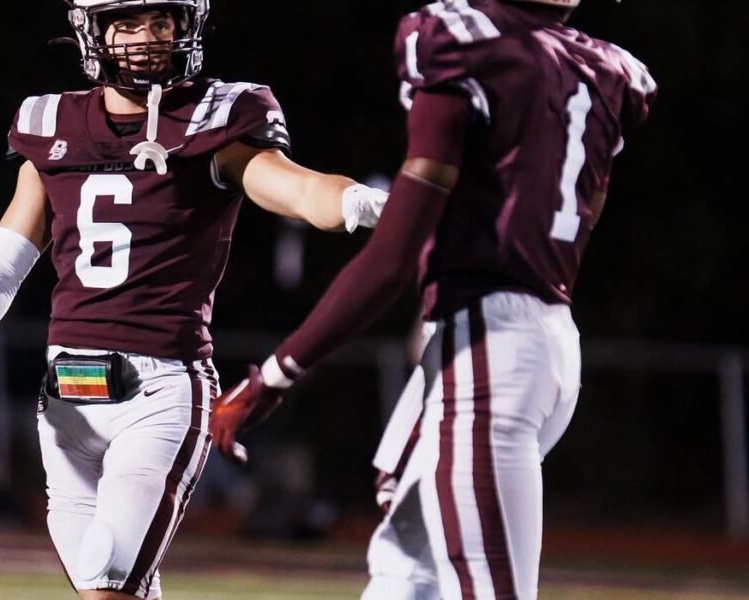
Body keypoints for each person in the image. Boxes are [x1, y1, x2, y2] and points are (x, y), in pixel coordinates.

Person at [0, 1, 388, 598]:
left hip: (160, 390)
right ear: (92, 31)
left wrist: (355, 202)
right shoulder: (52, 122)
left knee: (108, 579)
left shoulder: (214, 117)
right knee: (119, 588)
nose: (148, 38)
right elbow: (10, 253)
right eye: (129, 23)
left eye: (162, 23)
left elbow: (295, 188)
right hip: (65, 395)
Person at [210, 0, 657, 598]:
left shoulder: (461, 39)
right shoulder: (605, 70)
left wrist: (273, 376)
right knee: (405, 569)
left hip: (487, 351)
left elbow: (390, 261)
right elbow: (577, 213)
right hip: (545, 341)